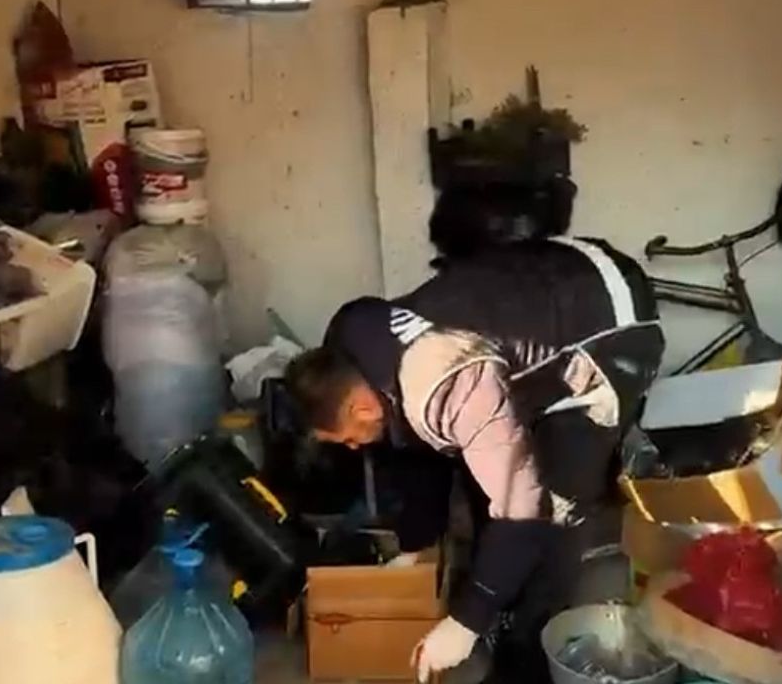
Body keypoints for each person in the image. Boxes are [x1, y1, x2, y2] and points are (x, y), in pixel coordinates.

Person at [283, 223, 664, 683]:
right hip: (549, 274)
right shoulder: (353, 342)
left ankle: (525, 656)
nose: (351, 447)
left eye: (345, 438)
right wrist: (414, 544)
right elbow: (414, 448)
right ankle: (499, 596)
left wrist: (466, 621)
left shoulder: (444, 382)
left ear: (360, 408)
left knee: (553, 508)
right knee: (487, 468)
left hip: (609, 326)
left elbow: (520, 505)